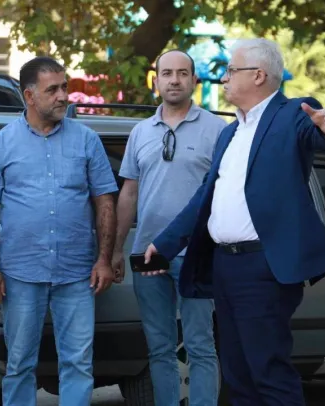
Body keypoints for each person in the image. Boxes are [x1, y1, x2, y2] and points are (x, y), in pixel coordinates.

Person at [144, 38, 325, 406]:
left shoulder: (293, 113)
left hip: (263, 266)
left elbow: (319, 132)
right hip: (226, 266)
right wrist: (166, 242)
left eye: (231, 71)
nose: (224, 79)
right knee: (237, 377)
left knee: (268, 371)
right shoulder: (230, 132)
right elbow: (205, 199)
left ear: (258, 76)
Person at [0, 56, 119, 406]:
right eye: (52, 89)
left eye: (64, 87)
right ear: (29, 96)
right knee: (19, 363)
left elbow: (105, 203)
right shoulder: (1, 144)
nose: (63, 96)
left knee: (78, 363)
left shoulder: (87, 140)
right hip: (21, 272)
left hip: (77, 273)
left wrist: (103, 260)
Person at [112, 50, 225, 406]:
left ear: (194, 80)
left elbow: (224, 193)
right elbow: (128, 194)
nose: (174, 80)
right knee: (159, 348)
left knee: (200, 345)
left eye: (182, 73)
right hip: (147, 254)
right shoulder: (140, 132)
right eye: (167, 73)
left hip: (197, 254)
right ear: (156, 80)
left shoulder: (217, 130)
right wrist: (116, 250)